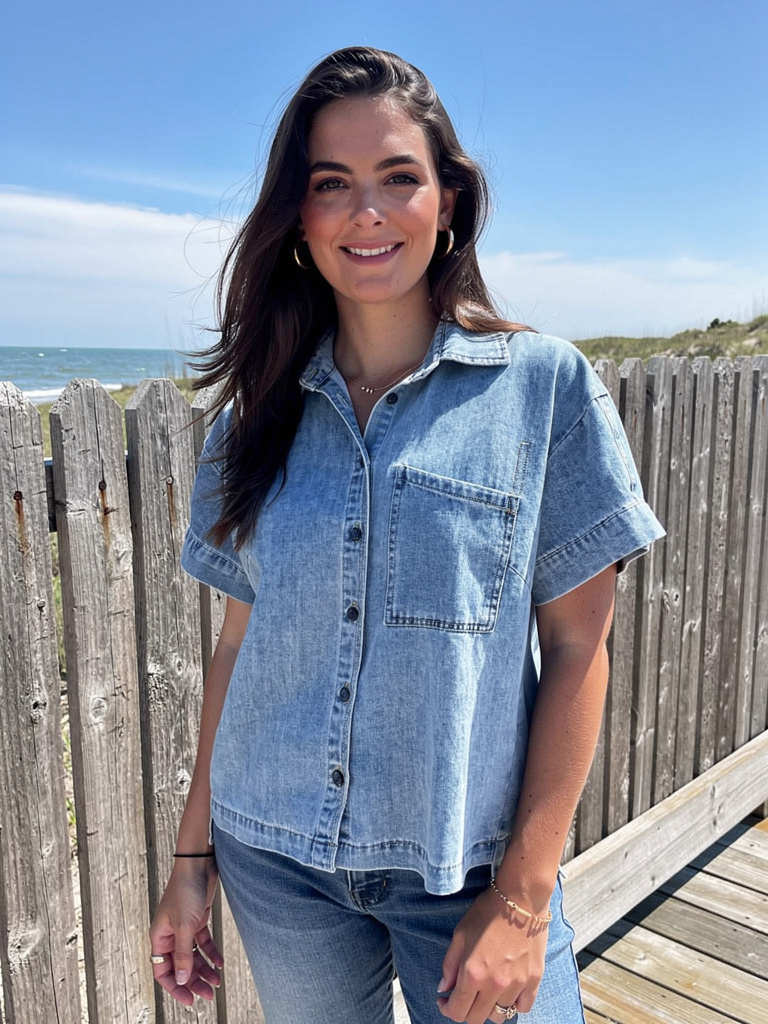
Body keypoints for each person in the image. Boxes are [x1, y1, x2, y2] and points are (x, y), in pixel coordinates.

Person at [148, 46, 664, 1024]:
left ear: (448, 201)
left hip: (470, 871)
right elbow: (238, 646)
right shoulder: (252, 418)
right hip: (276, 862)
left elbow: (578, 644)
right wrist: (190, 858)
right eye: (331, 183)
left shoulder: (543, 389)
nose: (367, 212)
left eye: (398, 178)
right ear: (299, 216)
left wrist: (525, 897)